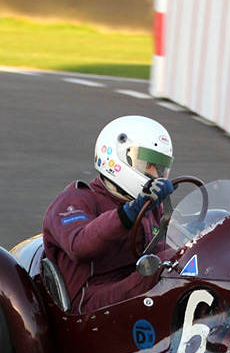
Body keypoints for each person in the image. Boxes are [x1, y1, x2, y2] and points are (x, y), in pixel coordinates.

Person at [42, 115, 176, 313]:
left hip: (132, 285)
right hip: (89, 301)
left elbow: (158, 253)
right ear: (118, 158)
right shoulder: (75, 200)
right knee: (170, 266)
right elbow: (80, 246)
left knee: (184, 263)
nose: (157, 175)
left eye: (161, 168)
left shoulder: (150, 204)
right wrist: (129, 212)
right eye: (149, 165)